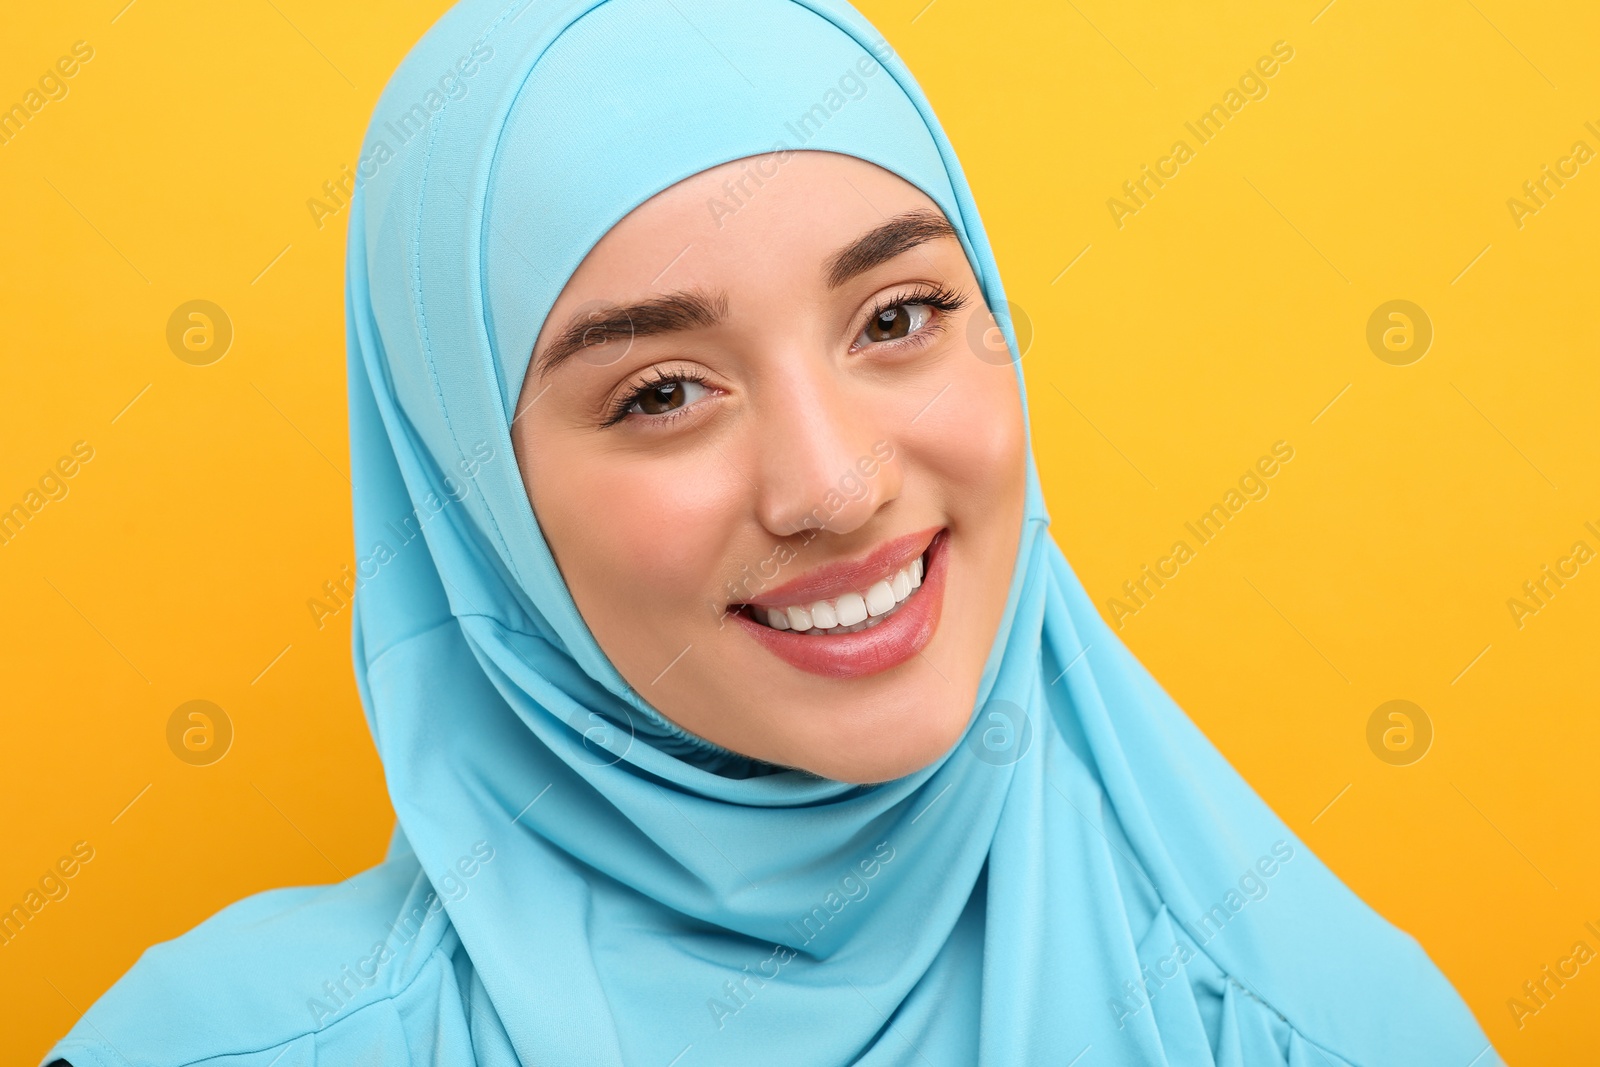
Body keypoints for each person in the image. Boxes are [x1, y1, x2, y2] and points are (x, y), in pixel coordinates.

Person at [46, 0, 1499, 1064]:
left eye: (899, 315)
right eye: (663, 391)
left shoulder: (1309, 1028)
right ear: (477, 507)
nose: (833, 485)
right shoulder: (230, 1046)